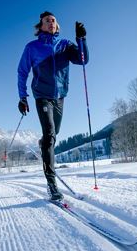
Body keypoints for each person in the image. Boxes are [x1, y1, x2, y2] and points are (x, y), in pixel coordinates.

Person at [17, 11, 89, 200]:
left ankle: (43, 143)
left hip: (59, 97)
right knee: (50, 134)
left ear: (57, 26)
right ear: (40, 26)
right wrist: (22, 97)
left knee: (53, 134)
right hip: (42, 96)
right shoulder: (32, 47)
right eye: (47, 21)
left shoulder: (64, 45)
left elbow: (82, 60)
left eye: (54, 21)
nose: (51, 23)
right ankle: (51, 184)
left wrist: (81, 39)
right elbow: (22, 72)